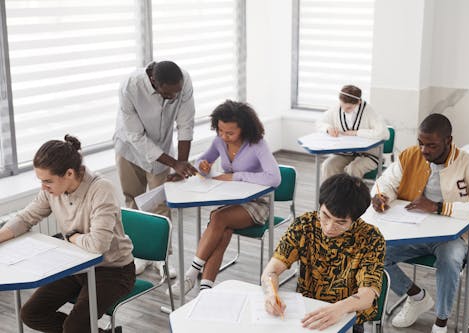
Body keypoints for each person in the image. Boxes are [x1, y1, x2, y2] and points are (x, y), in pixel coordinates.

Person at [372, 114, 469, 333]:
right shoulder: (410, 156)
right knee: (374, 251)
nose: (424, 150)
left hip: (453, 237)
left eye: (431, 145)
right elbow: (384, 183)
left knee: (449, 259)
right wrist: (381, 196)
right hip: (413, 230)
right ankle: (416, 295)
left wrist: (440, 207)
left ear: (448, 141)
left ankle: (441, 321)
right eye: (421, 143)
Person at [0, 135, 135, 333]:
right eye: (40, 181)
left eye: (48, 181)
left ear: (69, 173)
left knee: (74, 327)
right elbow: (26, 217)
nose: (43, 187)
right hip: (75, 265)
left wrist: (72, 237)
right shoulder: (51, 191)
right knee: (31, 314)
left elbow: (99, 245)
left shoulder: (101, 190)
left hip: (113, 270)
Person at [169, 100, 281, 297]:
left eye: (230, 133)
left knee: (218, 219)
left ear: (244, 129)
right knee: (224, 231)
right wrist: (204, 166)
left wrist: (235, 176)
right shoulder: (219, 142)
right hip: (232, 201)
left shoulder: (257, 145)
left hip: (257, 203)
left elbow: (274, 178)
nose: (224, 136)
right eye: (220, 130)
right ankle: (205, 290)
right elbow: (201, 161)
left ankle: (191, 274)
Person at [262, 174, 385, 333]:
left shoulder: (371, 238)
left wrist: (339, 309)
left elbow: (368, 294)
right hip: (306, 312)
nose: (328, 227)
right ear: (320, 205)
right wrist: (271, 294)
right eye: (325, 215)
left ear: (355, 220)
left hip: (348, 317)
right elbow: (271, 270)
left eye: (341, 223)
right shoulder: (304, 225)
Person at [114, 60, 198, 278]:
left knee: (161, 203)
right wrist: (175, 163)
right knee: (133, 200)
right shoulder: (130, 86)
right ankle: (139, 254)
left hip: (162, 149)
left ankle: (162, 257)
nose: (173, 98)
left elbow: (186, 124)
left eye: (176, 93)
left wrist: (181, 163)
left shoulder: (183, 82)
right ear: (154, 82)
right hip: (129, 148)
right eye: (168, 94)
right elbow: (135, 136)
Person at [316, 84, 388, 181]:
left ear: (359, 102)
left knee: (353, 169)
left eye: (349, 108)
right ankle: (331, 196)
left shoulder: (369, 111)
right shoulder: (337, 108)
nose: (344, 110)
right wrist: (328, 128)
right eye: (342, 106)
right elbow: (320, 122)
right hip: (345, 154)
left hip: (369, 155)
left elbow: (384, 133)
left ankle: (351, 196)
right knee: (328, 166)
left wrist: (357, 132)